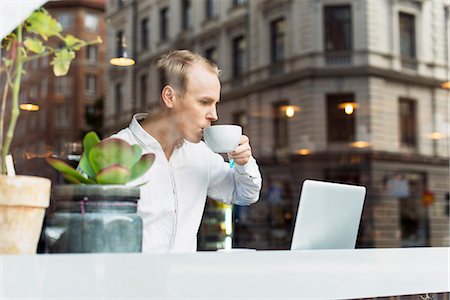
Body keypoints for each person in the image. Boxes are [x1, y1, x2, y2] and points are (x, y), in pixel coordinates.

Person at [111, 50, 262, 253]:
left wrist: (243, 163)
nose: (214, 115)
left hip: (182, 281)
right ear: (170, 97)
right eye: (204, 102)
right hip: (131, 281)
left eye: (215, 103)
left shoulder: (201, 154)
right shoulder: (112, 153)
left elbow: (245, 194)